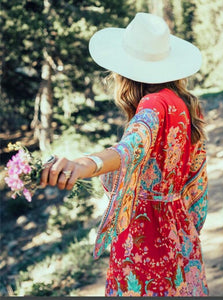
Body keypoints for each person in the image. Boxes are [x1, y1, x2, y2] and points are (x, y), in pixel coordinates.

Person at [40, 13, 209, 297]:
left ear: (123, 72)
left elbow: (129, 148)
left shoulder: (153, 105)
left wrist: (83, 165)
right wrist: (188, 223)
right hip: (178, 226)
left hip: (146, 233)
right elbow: (197, 177)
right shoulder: (184, 104)